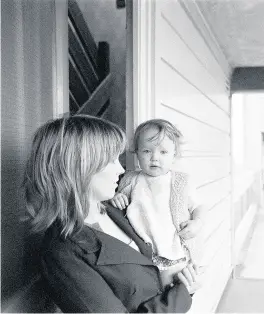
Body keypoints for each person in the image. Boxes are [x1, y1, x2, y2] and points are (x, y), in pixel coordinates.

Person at [23, 115, 198, 313]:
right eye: (111, 160)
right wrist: (182, 295)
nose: (121, 169)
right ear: (79, 168)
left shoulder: (113, 209)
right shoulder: (63, 252)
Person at [110, 119, 206, 287]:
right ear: (137, 153)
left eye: (163, 152)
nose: (154, 158)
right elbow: (117, 203)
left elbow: (198, 206)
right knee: (148, 290)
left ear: (174, 155)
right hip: (141, 251)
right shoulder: (130, 179)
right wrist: (116, 198)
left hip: (173, 250)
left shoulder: (181, 181)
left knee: (176, 290)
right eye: (147, 151)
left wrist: (197, 222)